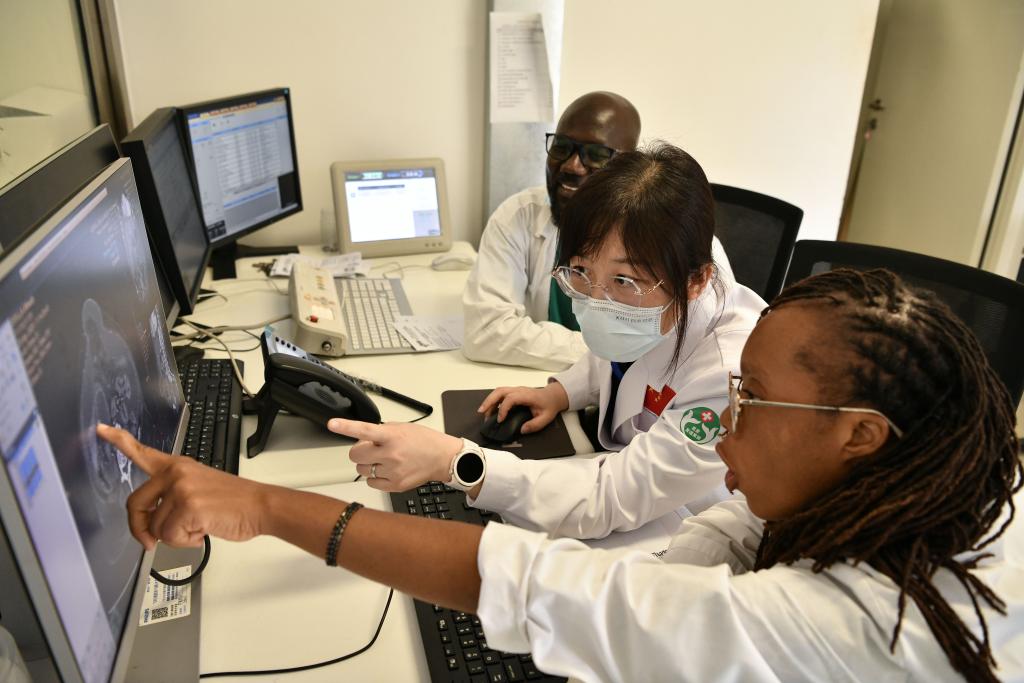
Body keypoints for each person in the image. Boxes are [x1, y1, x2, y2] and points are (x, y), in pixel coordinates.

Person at [100, 268, 1023, 681]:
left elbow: (572, 583)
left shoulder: (858, 624)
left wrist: (265, 506)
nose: (725, 426)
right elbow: (725, 540)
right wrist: (633, 607)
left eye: (753, 400)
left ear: (859, 436)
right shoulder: (926, 496)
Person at [352, 143, 764, 537]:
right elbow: (614, 352)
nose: (597, 301)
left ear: (696, 281)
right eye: (581, 271)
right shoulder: (653, 299)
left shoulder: (728, 374)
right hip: (630, 486)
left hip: (692, 526)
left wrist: (456, 462)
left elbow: (610, 498)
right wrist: (561, 392)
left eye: (623, 280)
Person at [463, 90, 735, 371]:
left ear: (628, 169)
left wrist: (614, 353)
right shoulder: (519, 215)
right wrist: (611, 352)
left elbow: (701, 349)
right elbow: (486, 332)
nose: (572, 165)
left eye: (596, 155)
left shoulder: (684, 246)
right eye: (561, 147)